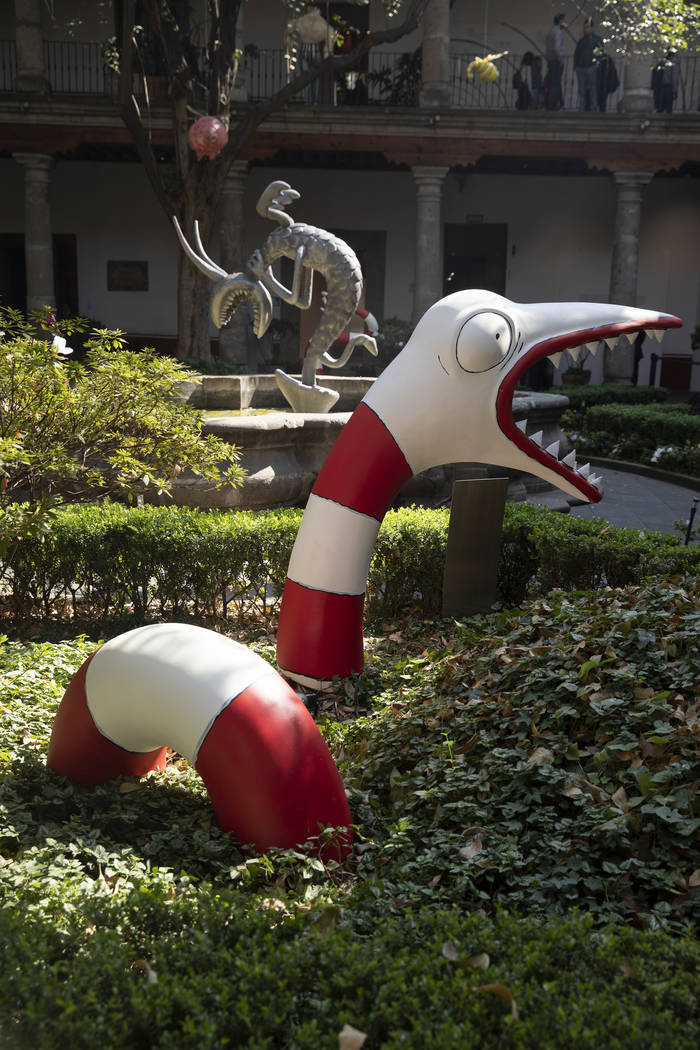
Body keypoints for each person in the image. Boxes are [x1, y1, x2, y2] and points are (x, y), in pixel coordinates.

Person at [574, 17, 603, 111]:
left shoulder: (597, 40)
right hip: (581, 68)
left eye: (587, 27)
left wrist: (597, 64)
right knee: (582, 90)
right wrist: (576, 66)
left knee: (593, 89)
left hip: (592, 67)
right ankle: (582, 108)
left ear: (592, 28)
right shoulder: (581, 41)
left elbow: (600, 53)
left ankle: (593, 108)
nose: (585, 29)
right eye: (585, 27)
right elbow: (577, 53)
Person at [545, 12, 567, 110]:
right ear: (560, 21)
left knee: (553, 82)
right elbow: (557, 48)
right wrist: (560, 59)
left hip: (551, 60)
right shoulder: (558, 32)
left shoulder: (551, 32)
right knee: (556, 83)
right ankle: (553, 104)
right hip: (556, 61)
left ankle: (552, 103)